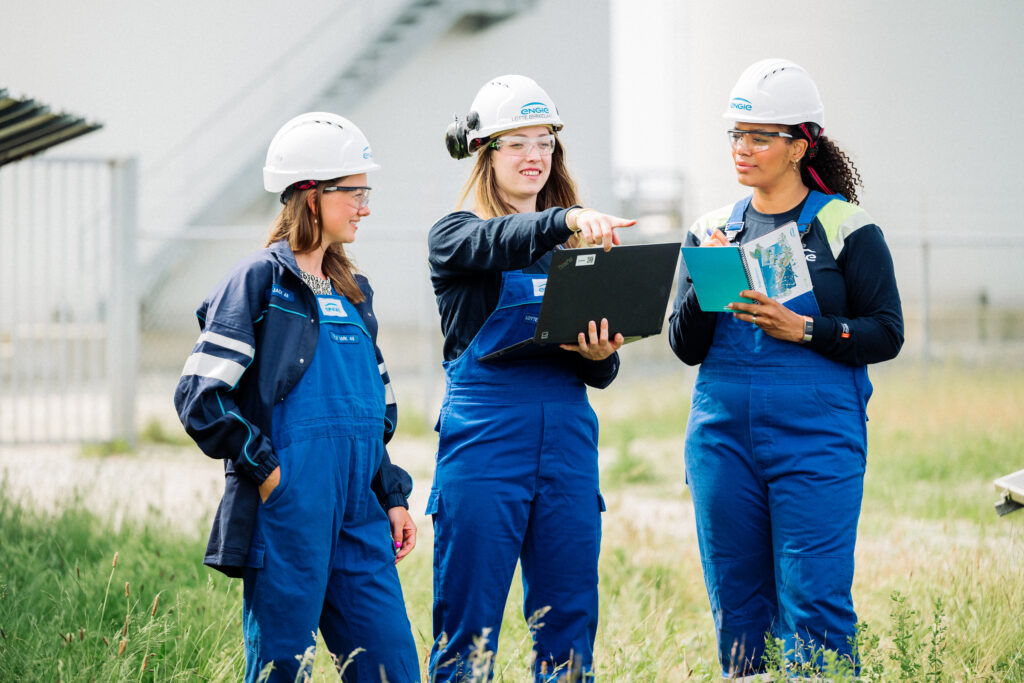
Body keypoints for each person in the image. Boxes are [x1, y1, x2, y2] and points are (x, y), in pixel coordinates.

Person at [668, 59, 904, 678]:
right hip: (722, 439)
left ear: (800, 146)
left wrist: (805, 329)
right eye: (736, 136)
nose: (742, 149)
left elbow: (887, 331)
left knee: (816, 608)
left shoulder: (846, 227)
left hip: (818, 440)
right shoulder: (710, 228)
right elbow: (685, 346)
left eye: (760, 137)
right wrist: (704, 280)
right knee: (739, 612)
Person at [173, 112, 420, 683]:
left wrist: (391, 494)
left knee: (392, 668)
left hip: (360, 510)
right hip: (290, 509)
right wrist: (268, 475)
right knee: (282, 669)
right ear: (311, 195)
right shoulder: (259, 282)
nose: (365, 205)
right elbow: (199, 395)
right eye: (354, 192)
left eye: (366, 191)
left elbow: (370, 412)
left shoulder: (355, 293)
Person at [426, 75, 635, 681]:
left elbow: (603, 372)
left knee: (569, 621)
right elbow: (501, 240)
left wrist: (599, 353)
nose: (534, 157)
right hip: (486, 443)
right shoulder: (457, 235)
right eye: (517, 143)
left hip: (568, 445)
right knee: (469, 630)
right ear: (484, 152)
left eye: (544, 143)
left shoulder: (571, 249)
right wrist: (565, 219)